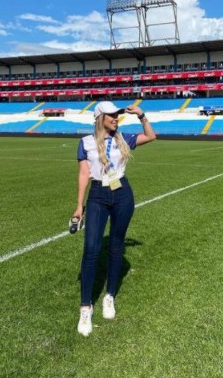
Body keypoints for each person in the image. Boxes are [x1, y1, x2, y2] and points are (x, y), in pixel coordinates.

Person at [74, 100, 156, 336]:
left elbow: (151, 136)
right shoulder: (86, 143)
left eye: (117, 114)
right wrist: (79, 206)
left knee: (116, 246)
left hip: (122, 195)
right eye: (111, 115)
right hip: (98, 196)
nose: (116, 118)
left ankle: (109, 296)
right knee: (91, 249)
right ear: (100, 118)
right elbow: (84, 174)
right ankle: (85, 306)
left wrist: (141, 115)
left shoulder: (124, 138)